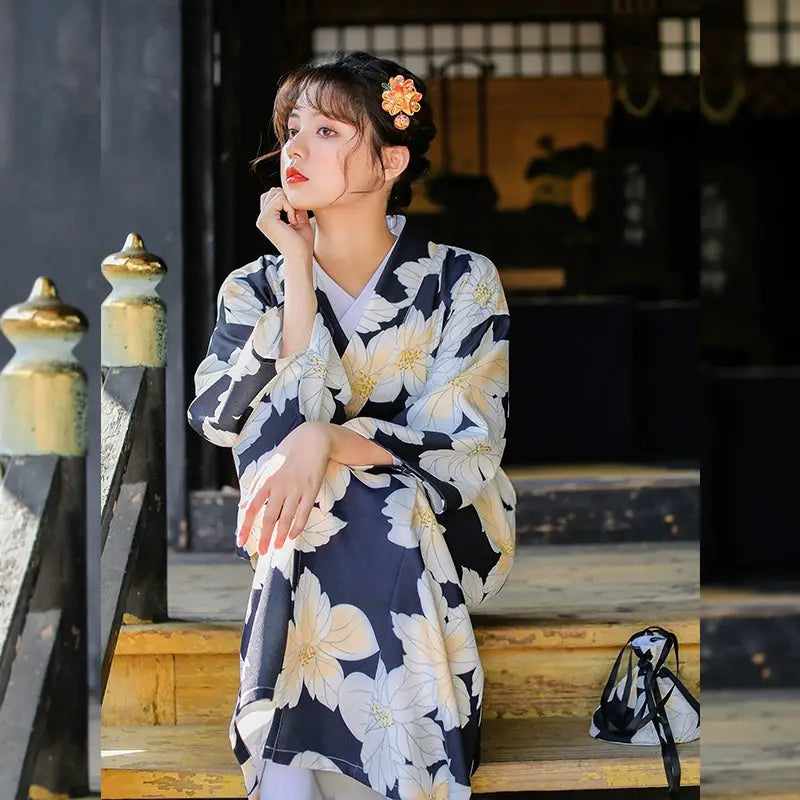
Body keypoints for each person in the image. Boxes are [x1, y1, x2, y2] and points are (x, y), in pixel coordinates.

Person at [187, 50, 516, 800]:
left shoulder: (462, 279)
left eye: (329, 131)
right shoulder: (257, 284)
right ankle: (413, 770)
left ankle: (284, 777)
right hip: (296, 530)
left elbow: (468, 444)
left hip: (442, 530)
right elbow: (222, 417)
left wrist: (329, 439)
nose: (294, 150)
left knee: (372, 501)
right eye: (291, 127)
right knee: (333, 505)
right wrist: (297, 276)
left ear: (391, 159)